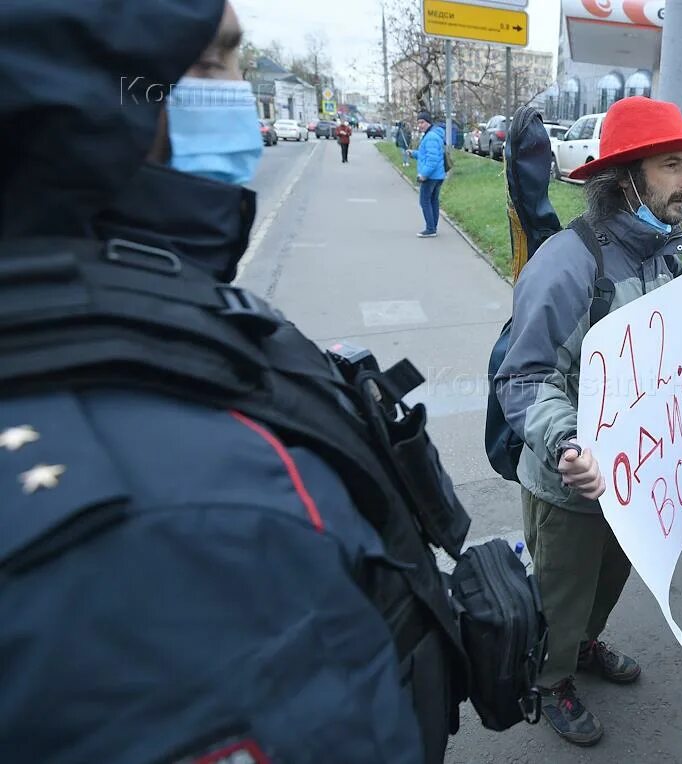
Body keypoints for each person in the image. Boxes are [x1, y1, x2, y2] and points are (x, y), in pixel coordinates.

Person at [0, 2, 471, 761]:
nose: (237, 91)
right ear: (96, 90)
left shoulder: (128, 301)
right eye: (214, 62)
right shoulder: (198, 510)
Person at [493, 96, 682, 747]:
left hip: (633, 483)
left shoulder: (664, 251)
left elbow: (665, 351)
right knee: (559, 595)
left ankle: (583, 646)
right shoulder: (566, 264)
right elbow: (523, 376)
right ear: (626, 178)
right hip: (567, 482)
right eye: (674, 164)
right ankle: (550, 680)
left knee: (608, 583)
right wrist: (567, 443)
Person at [409, 111, 446, 238]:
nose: (420, 125)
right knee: (433, 201)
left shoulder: (430, 137)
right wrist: (414, 153)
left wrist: (423, 174)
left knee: (425, 201)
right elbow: (426, 155)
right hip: (438, 176)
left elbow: (432, 160)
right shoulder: (433, 135)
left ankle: (430, 228)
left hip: (430, 176)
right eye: (418, 122)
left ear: (428, 122)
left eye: (422, 122)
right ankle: (433, 227)